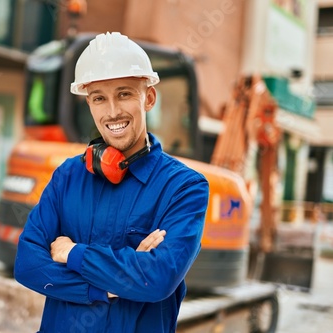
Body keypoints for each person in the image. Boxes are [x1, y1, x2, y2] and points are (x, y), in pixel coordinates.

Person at [14, 32, 209, 333]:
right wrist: (106, 288)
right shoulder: (68, 176)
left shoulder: (184, 187)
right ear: (88, 104)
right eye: (99, 99)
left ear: (149, 98)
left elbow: (156, 279)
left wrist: (71, 254)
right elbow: (28, 264)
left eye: (124, 94)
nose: (113, 111)